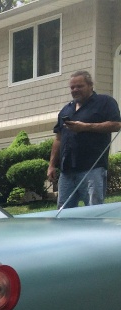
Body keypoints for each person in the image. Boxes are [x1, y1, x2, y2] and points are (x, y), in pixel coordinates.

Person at [47, 70, 121, 208]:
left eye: (79, 86)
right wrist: (51, 165)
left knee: (93, 211)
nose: (75, 90)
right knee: (63, 213)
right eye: (72, 87)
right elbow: (58, 138)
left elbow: (116, 125)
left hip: (92, 168)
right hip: (67, 170)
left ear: (91, 85)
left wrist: (85, 127)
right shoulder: (66, 109)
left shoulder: (105, 102)